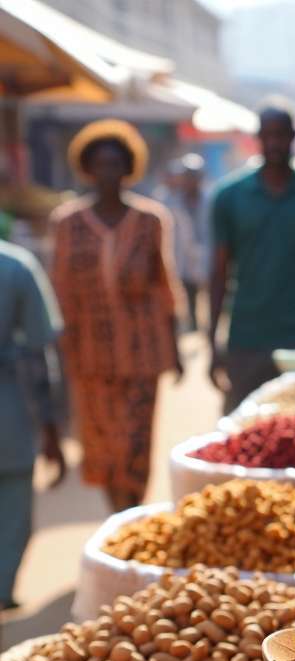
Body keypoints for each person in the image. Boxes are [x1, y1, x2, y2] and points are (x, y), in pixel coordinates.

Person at [51, 119, 183, 512]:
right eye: (100, 165)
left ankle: (131, 510)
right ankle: (118, 514)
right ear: (87, 169)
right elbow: (60, 293)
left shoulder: (149, 221)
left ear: (129, 169)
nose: (108, 173)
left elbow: (164, 287)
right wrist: (59, 354)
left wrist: (174, 349)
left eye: (115, 164)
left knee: (136, 446)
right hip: (89, 360)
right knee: (103, 448)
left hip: (141, 357)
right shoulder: (68, 224)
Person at [208, 101, 295, 413]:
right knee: (243, 430)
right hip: (247, 333)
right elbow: (218, 272)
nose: (274, 144)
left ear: (293, 137)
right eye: (267, 136)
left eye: (281, 135)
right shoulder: (229, 197)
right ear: (257, 139)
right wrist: (211, 339)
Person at [0, 240, 65, 611]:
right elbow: (41, 354)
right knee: (12, 508)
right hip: (8, 408)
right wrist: (51, 428)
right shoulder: (17, 266)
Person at [160, 154, 208, 332]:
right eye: (187, 176)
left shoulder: (210, 201)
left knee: (200, 298)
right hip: (177, 259)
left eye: (194, 176)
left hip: (202, 260)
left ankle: (199, 331)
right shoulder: (169, 201)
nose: (190, 181)